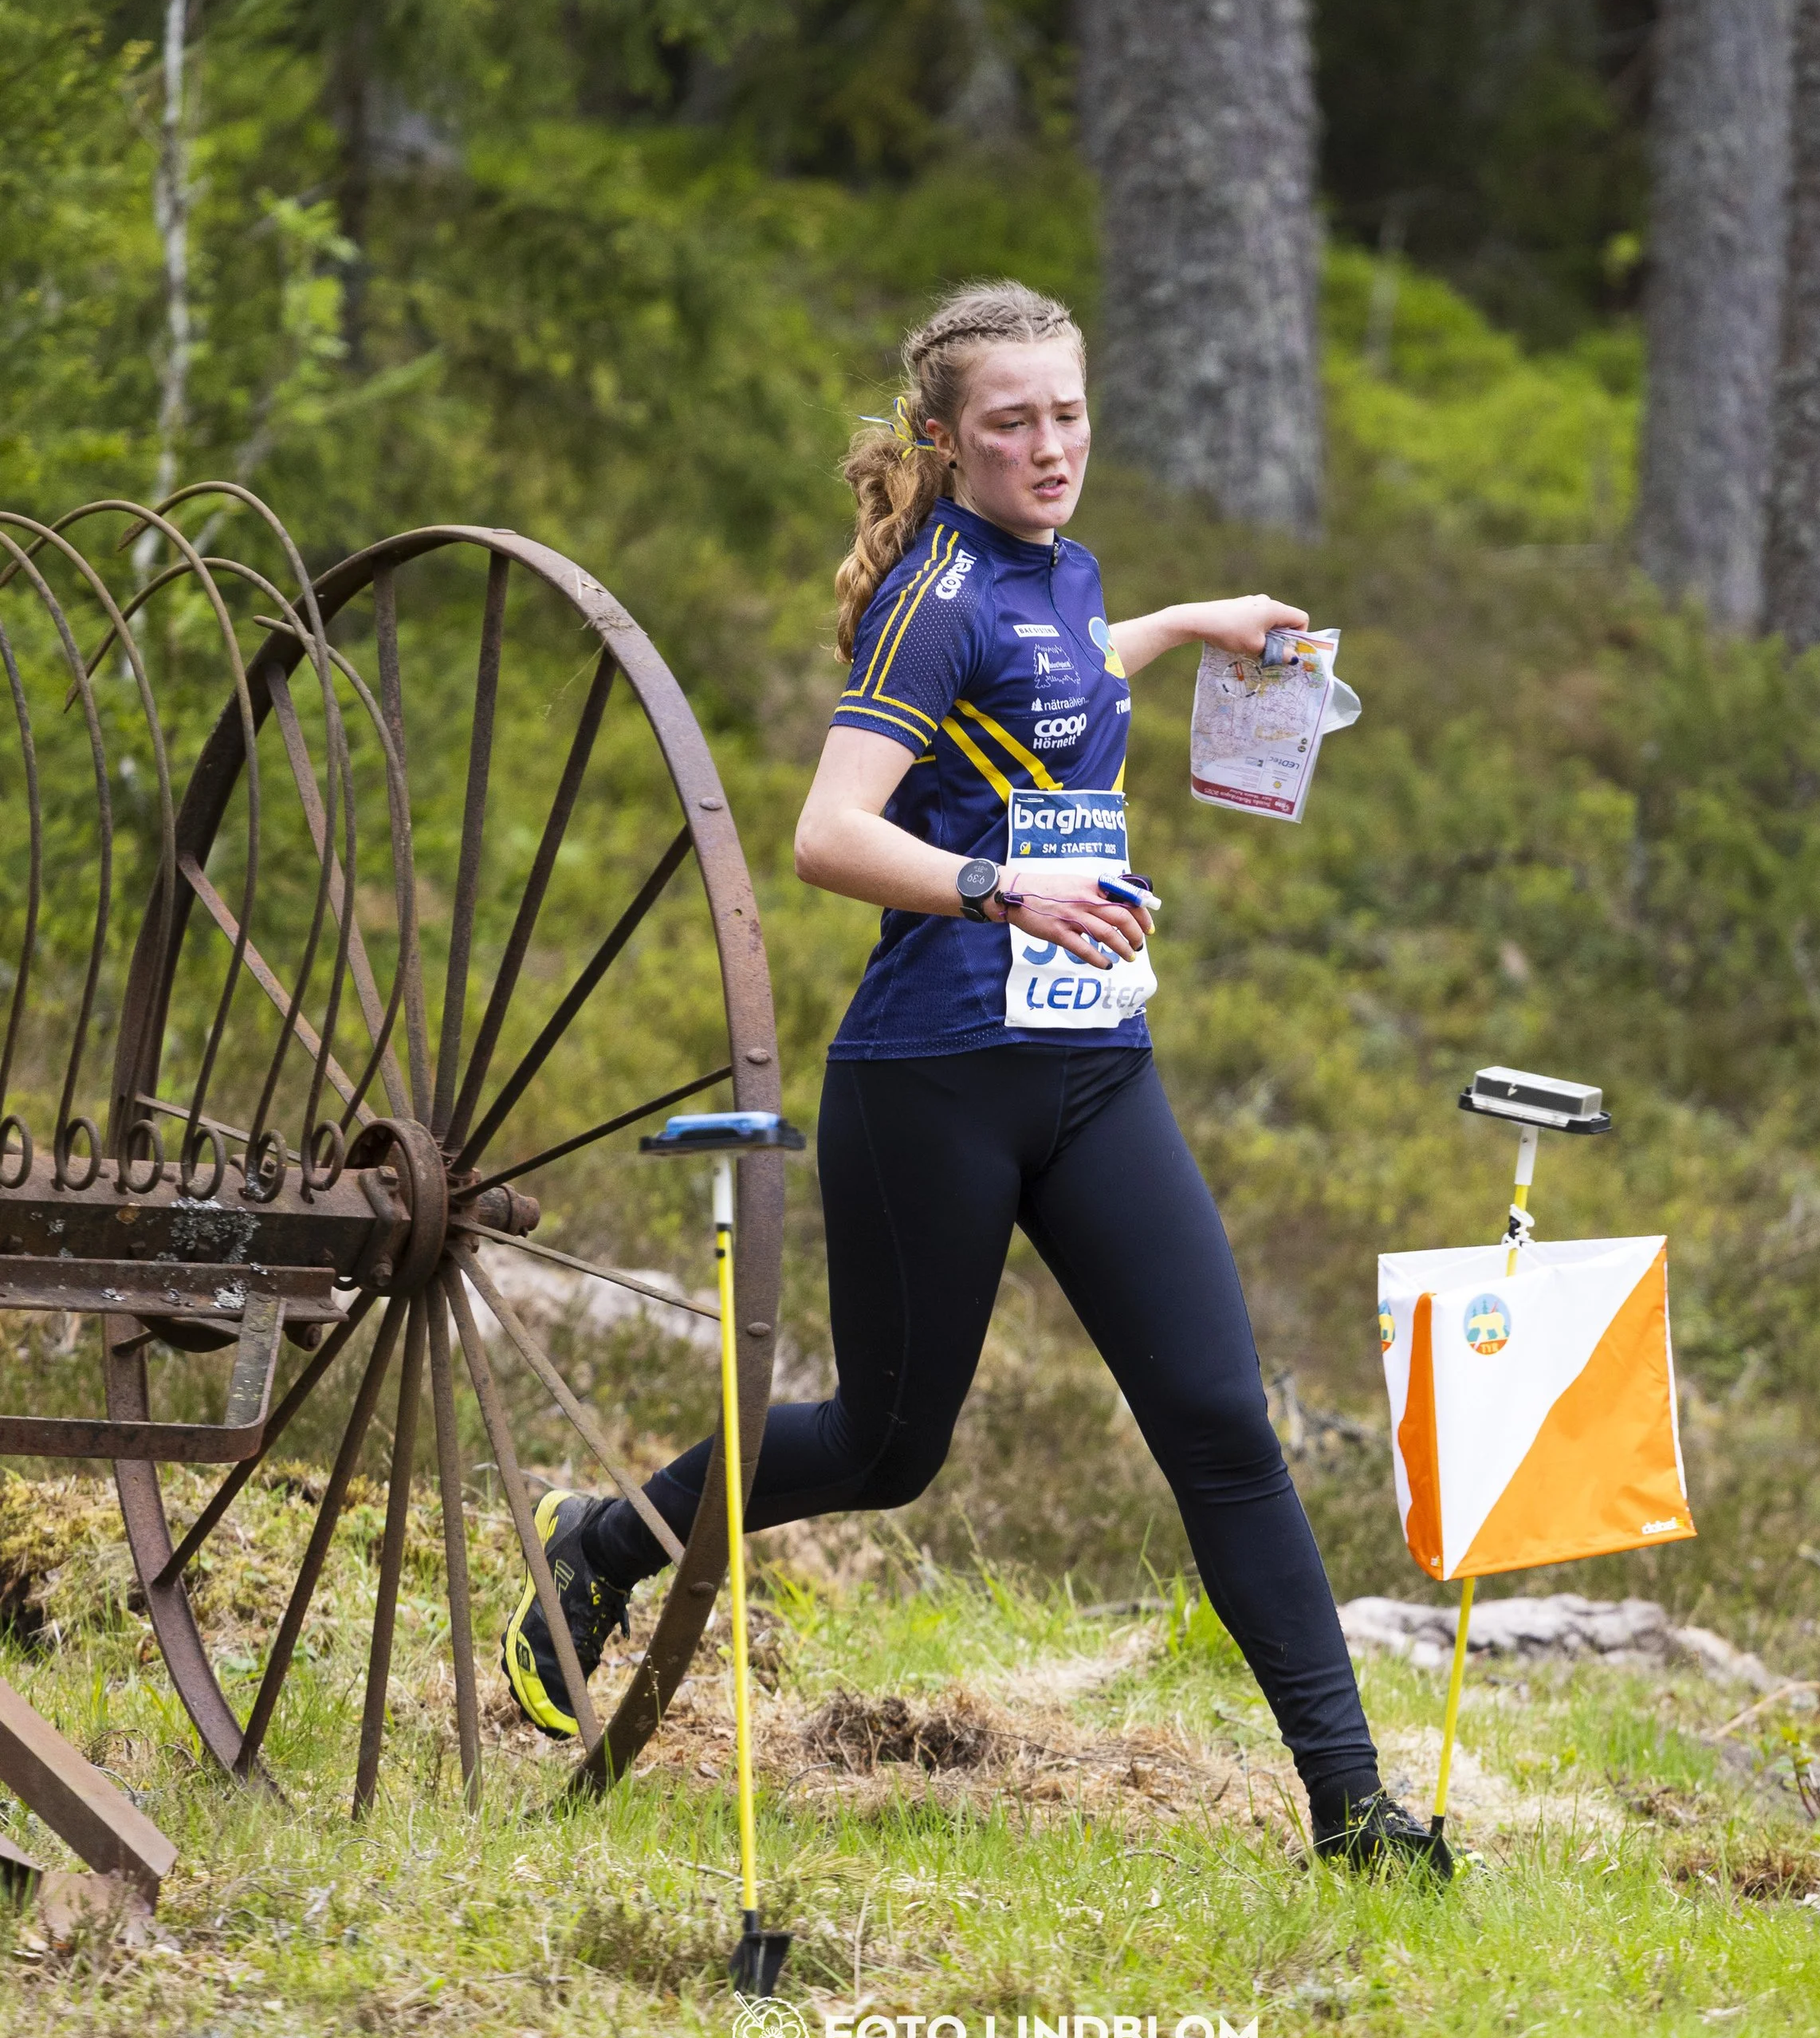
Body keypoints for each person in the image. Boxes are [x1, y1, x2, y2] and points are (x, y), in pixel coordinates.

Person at [500, 279, 1442, 1874]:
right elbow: (824, 832)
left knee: (1220, 1422)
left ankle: (1351, 1815)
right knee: (887, 1447)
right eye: (1009, 423)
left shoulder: (1055, 572)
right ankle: (603, 1540)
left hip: (1091, 1067)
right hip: (932, 1075)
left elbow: (1063, 658)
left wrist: (1184, 623)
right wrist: (999, 887)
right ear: (944, 440)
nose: (1049, 444)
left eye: (1067, 413)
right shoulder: (931, 595)